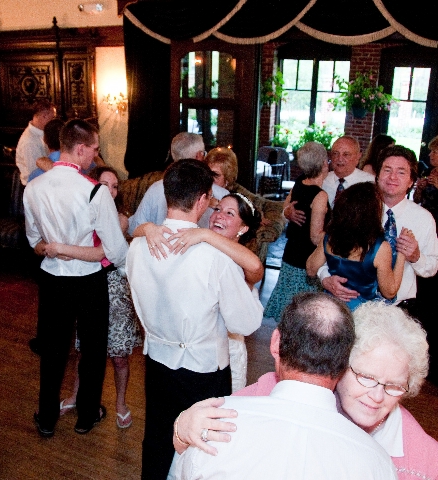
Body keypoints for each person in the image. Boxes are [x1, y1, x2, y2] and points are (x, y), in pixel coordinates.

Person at [174, 301, 437, 480]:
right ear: (340, 363)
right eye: (367, 378)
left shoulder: (424, 460)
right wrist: (184, 425)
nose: (377, 396)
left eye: (394, 386)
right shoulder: (268, 388)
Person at [126, 159, 263, 480]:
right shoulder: (216, 256)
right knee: (202, 446)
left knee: (158, 437)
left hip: (157, 361)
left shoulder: (138, 247)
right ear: (202, 200)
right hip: (203, 369)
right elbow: (245, 324)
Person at [23, 119, 128, 437]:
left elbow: (34, 241)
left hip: (52, 279)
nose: (96, 155)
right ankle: (86, 416)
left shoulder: (33, 187)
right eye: (94, 149)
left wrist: (55, 248)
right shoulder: (94, 191)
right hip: (88, 280)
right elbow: (117, 251)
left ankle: (47, 418)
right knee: (93, 351)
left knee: (53, 351)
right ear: (80, 148)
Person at [39, 166, 141, 428]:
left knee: (118, 354)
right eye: (104, 184)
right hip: (84, 284)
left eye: (115, 186)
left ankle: (119, 403)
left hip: (113, 287)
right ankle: (79, 399)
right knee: (84, 350)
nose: (110, 190)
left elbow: (102, 252)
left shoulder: (120, 219)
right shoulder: (81, 211)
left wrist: (61, 249)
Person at [136, 192, 263, 391]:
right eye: (217, 209)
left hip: (226, 351)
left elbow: (255, 267)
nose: (220, 215)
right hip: (184, 352)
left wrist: (206, 234)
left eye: (230, 213)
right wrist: (148, 228)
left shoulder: (242, 262)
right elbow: (136, 232)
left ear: (243, 228)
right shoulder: (198, 247)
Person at [320, 145, 438, 312]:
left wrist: (416, 257)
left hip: (399, 309)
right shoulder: (356, 209)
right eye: (387, 170)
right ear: (377, 175)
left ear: (411, 180)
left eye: (401, 172)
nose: (392, 177)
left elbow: (432, 267)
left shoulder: (423, 218)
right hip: (353, 306)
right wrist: (325, 278)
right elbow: (326, 250)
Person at [307, 182, 406, 310]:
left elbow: (311, 268)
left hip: (331, 307)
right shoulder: (380, 248)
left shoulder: (330, 237)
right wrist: (402, 254)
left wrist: (325, 277)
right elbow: (389, 292)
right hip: (360, 312)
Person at [264, 141, 329, 320]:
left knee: (288, 308)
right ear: (324, 163)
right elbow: (315, 237)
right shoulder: (320, 195)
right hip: (305, 260)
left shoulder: (299, 182)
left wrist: (287, 211)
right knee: (301, 314)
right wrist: (335, 235)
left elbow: (286, 206)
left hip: (290, 254)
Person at [127, 132, 228, 236]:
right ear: (199, 155)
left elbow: (134, 228)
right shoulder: (222, 195)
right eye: (204, 153)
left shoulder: (156, 188)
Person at [284, 136, 374, 225]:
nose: (340, 159)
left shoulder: (369, 183)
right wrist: (286, 213)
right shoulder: (317, 179)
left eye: (346, 154)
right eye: (335, 153)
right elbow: (287, 205)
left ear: (358, 156)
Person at [413, 135, 438, 383]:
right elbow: (420, 204)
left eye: (435, 152)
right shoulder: (429, 174)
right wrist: (420, 190)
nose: (431, 155)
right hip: (426, 234)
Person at [16, 99, 56, 185]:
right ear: (44, 116)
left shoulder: (41, 133)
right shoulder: (29, 141)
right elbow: (35, 172)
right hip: (34, 186)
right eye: (52, 118)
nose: (53, 122)